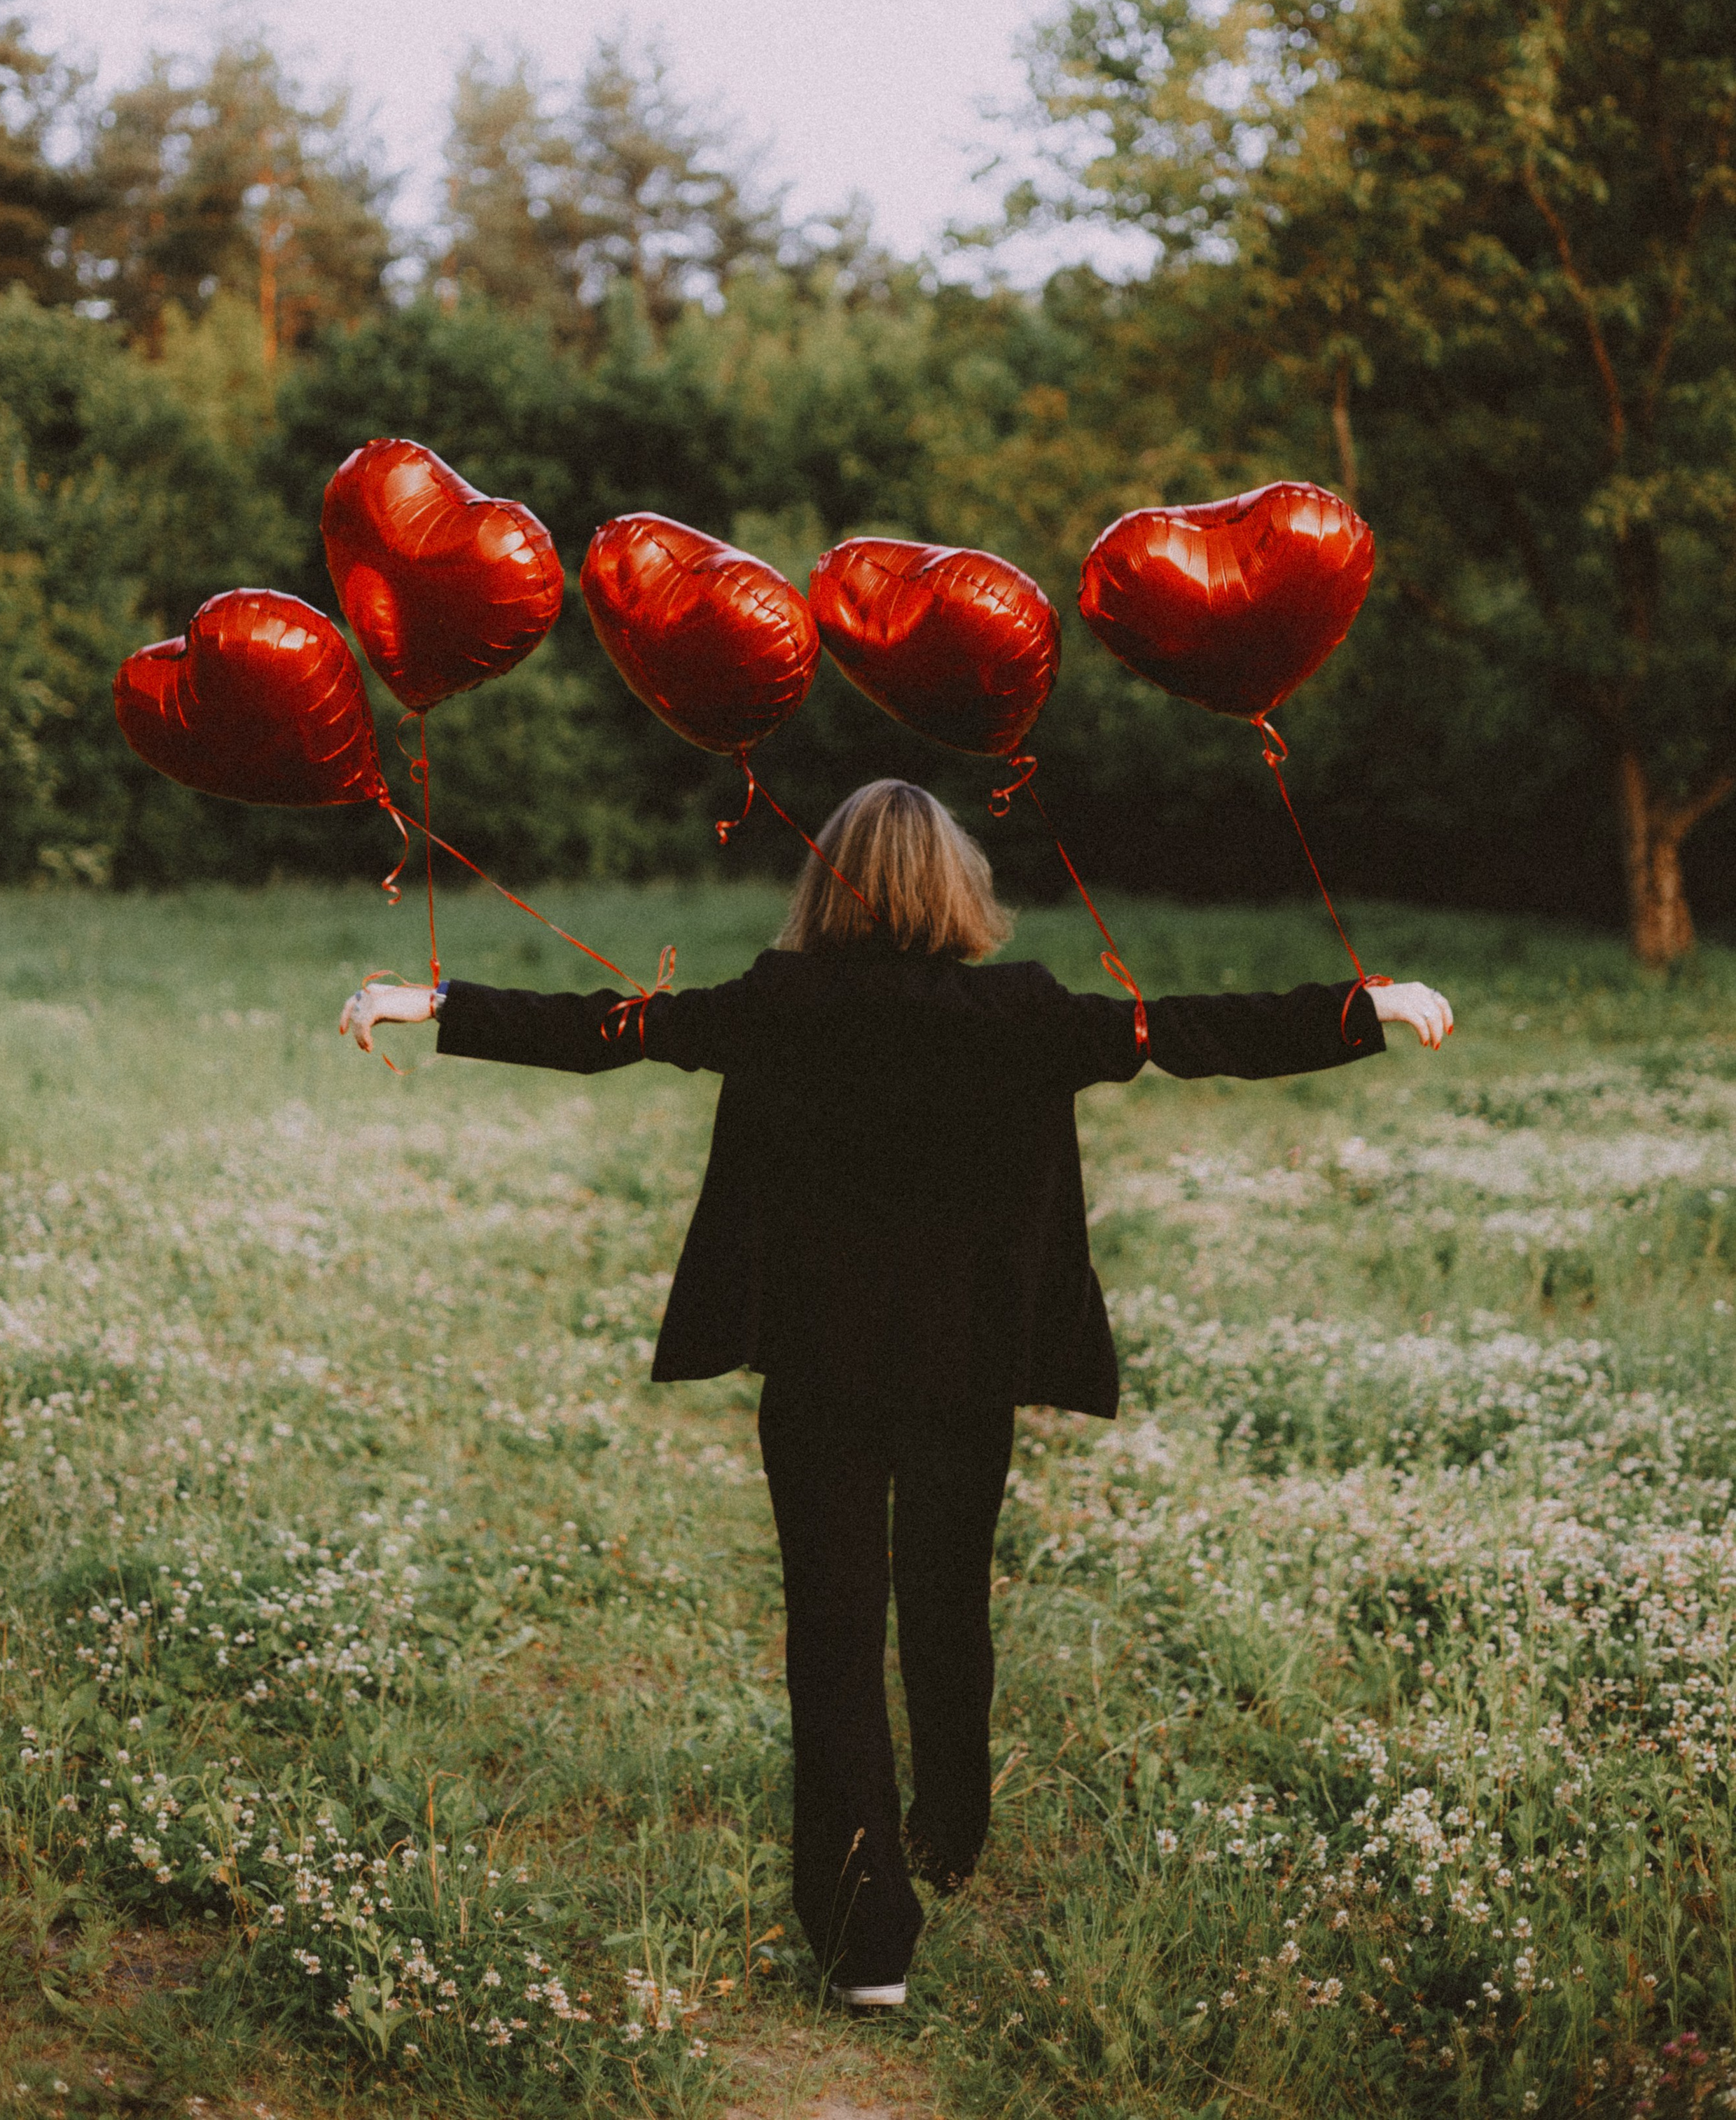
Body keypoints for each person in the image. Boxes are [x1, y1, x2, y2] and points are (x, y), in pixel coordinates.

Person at [340, 779, 1452, 2009]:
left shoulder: (779, 1004)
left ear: (824, 887)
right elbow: (1195, 1033)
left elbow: (612, 1030)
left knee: (832, 1630)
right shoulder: (1022, 1010)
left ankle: (872, 1936)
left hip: (820, 1367)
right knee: (945, 1595)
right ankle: (949, 1832)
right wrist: (1366, 1008)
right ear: (960, 888)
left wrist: (433, 1004)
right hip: (967, 1367)